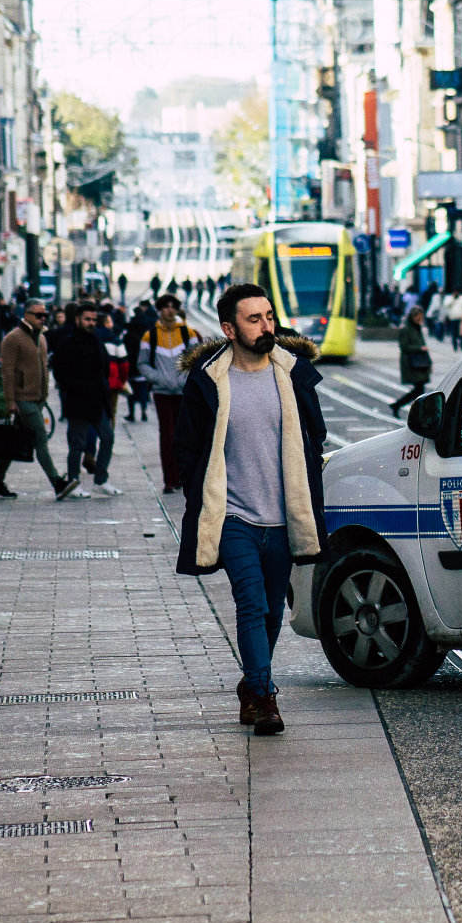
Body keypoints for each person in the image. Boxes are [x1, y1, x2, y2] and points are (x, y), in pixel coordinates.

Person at [174, 283, 327, 736]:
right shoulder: (209, 381)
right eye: (254, 319)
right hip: (234, 517)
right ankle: (264, 696)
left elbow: (314, 439)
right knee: (251, 601)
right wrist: (200, 499)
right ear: (229, 328)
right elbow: (187, 447)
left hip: (283, 516)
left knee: (272, 613)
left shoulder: (293, 374)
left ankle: (251, 683)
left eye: (269, 316)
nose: (266, 326)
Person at [0, 299, 78, 502]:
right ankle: (57, 483)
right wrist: (11, 401)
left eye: (45, 314)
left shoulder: (42, 338)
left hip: (37, 398)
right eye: (38, 315)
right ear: (26, 315)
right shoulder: (13, 339)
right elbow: (8, 372)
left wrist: (44, 395)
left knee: (14, 440)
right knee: (40, 439)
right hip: (23, 400)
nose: (43, 318)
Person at [55, 305, 121, 497]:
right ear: (78, 319)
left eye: (93, 320)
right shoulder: (68, 343)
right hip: (78, 401)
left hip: (98, 400)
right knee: (78, 444)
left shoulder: (96, 341)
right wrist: (76, 387)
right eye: (87, 319)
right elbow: (60, 372)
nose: (91, 323)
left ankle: (101, 479)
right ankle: (74, 482)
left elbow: (105, 367)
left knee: (107, 437)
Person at [140, 294, 202, 493]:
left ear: (176, 309)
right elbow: (141, 363)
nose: (169, 310)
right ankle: (169, 479)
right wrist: (159, 378)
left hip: (183, 393)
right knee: (166, 436)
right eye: (165, 306)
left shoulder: (188, 334)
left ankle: (182, 476)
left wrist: (185, 379)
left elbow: (196, 360)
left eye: (172, 306)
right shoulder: (150, 335)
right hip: (162, 393)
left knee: (183, 436)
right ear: (159, 310)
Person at [390, 305, 431, 415]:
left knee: (419, 390)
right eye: (418, 317)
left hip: (420, 363)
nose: (419, 319)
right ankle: (417, 412)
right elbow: (404, 346)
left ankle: (399, 406)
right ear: (412, 316)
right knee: (419, 390)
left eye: (421, 317)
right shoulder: (406, 329)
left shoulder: (418, 328)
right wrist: (419, 348)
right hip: (411, 363)